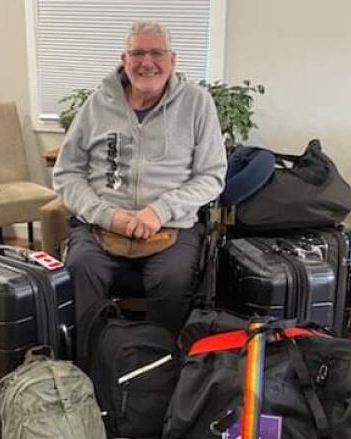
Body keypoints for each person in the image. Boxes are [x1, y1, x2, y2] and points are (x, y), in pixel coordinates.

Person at [52, 20, 227, 335]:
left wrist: (158, 211)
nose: (147, 63)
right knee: (80, 269)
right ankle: (88, 364)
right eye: (138, 53)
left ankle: (158, 367)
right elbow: (67, 173)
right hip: (101, 225)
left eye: (157, 53)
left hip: (171, 226)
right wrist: (107, 216)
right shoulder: (96, 105)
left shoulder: (198, 103)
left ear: (172, 60)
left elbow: (212, 176)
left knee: (173, 279)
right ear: (124, 59)